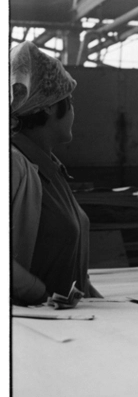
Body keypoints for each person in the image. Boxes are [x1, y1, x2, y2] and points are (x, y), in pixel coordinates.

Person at [10, 41, 102, 306]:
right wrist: (38, 294)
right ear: (49, 106)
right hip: (38, 328)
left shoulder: (50, 168)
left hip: (68, 319)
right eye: (69, 101)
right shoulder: (13, 164)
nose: (73, 111)